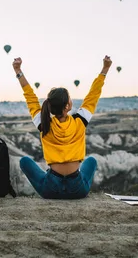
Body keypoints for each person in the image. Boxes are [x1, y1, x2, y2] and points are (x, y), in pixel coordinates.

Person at [13, 55, 112, 199]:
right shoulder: (80, 121)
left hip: (50, 189)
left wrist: (18, 71)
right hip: (77, 190)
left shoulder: (44, 124)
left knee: (24, 161)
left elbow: (30, 97)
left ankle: (51, 176)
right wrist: (105, 69)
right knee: (92, 161)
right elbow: (93, 95)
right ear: (67, 106)